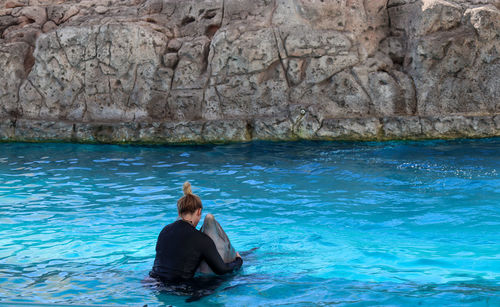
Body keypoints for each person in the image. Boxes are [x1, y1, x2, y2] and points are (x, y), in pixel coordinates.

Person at [150, 181, 243, 283]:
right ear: (199, 211)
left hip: (153, 282)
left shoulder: (165, 230)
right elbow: (222, 270)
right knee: (217, 283)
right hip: (179, 288)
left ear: (179, 212)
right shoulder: (202, 239)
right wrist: (238, 261)